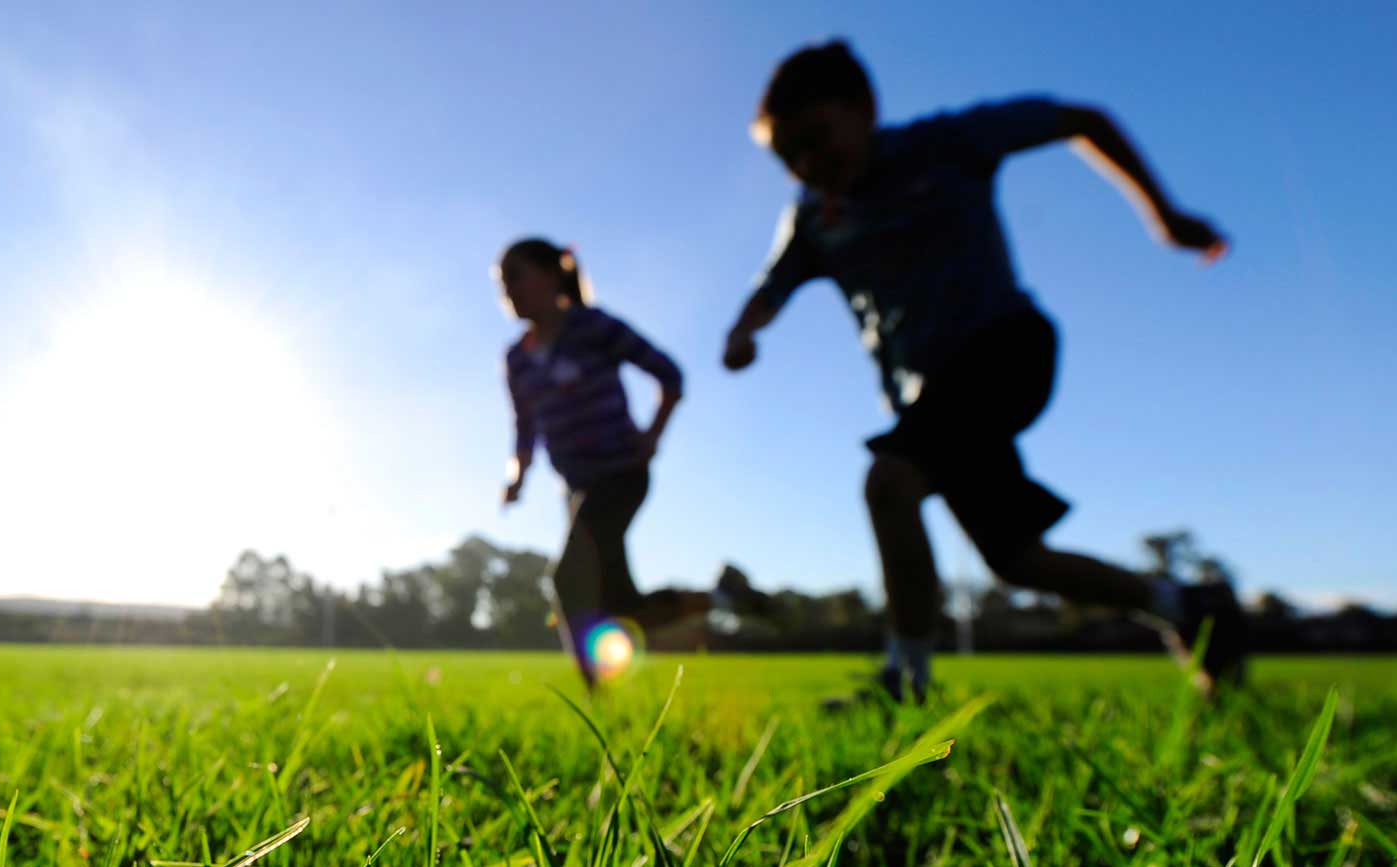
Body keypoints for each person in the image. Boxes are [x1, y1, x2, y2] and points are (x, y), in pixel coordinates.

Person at [719, 41, 1249, 701]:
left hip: (1004, 349)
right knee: (1016, 559)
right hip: (926, 396)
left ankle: (906, 679)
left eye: (816, 138)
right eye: (787, 155)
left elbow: (1082, 119)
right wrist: (743, 332)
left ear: (863, 108)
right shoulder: (813, 217)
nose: (806, 163)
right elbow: (769, 289)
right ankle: (1187, 603)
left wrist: (1163, 214)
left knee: (891, 482)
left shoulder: (945, 144)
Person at [496, 238, 702, 686]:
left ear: (552, 274)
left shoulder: (592, 327)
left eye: (516, 276)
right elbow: (525, 427)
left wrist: (652, 435)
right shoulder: (516, 359)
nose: (507, 290)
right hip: (577, 486)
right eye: (501, 283)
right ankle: (716, 599)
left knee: (570, 580)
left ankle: (597, 704)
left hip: (621, 472)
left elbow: (670, 374)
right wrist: (517, 478)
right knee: (622, 602)